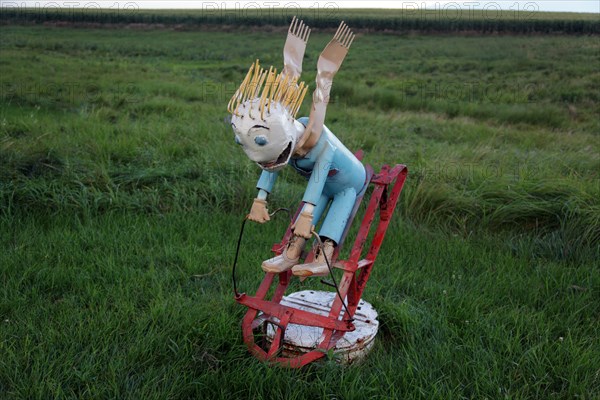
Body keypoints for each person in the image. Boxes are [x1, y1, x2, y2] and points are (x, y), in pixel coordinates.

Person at [227, 18, 365, 277]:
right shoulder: (285, 142)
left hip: (349, 181)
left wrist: (307, 213)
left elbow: (320, 174)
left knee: (328, 211)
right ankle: (292, 252)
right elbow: (271, 164)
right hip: (321, 183)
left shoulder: (320, 142)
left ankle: (324, 254)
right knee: (304, 219)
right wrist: (260, 198)